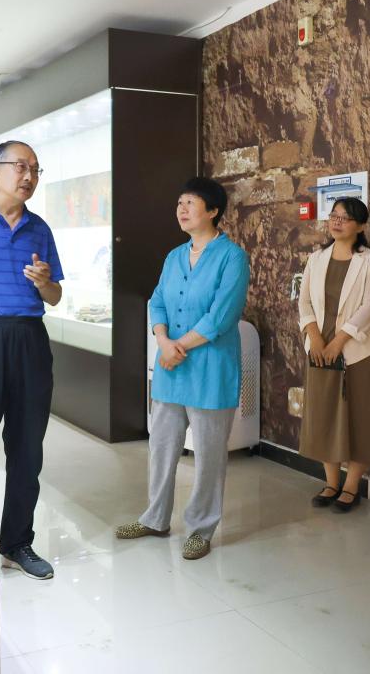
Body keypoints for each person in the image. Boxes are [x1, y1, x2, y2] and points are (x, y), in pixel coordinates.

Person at [115, 177, 249, 560]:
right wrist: (162, 341)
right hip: (171, 367)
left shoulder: (232, 257)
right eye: (179, 203)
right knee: (161, 447)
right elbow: (157, 301)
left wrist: (178, 347)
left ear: (213, 210)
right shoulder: (174, 256)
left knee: (208, 455)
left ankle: (200, 528)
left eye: (190, 203)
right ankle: (155, 518)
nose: (182, 209)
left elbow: (221, 315)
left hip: (210, 369)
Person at [0, 140, 63, 579]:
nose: (28, 176)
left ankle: (16, 543)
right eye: (20, 166)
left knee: (28, 448)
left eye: (35, 169)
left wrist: (45, 282)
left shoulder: (40, 229)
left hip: (30, 338)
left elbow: (55, 296)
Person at [298, 196, 370, 512]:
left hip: (358, 352)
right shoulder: (316, 259)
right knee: (323, 415)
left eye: (345, 217)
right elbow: (304, 302)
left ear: (360, 226)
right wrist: (315, 338)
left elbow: (369, 307)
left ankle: (352, 486)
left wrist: (338, 342)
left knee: (359, 417)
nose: (337, 221)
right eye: (334, 215)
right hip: (318, 350)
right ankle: (331, 482)